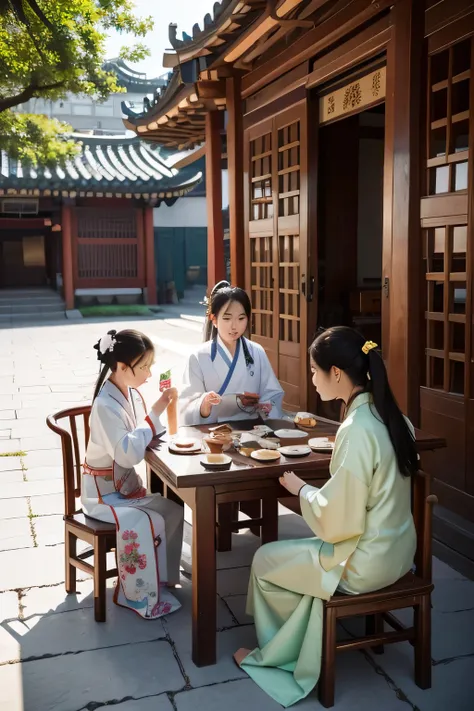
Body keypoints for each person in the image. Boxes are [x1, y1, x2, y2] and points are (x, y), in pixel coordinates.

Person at [233, 326, 419, 706]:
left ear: (336, 374)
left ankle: (278, 655)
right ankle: (305, 627)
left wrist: (300, 489)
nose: (311, 379)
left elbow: (339, 522)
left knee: (265, 559)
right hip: (400, 553)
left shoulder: (357, 428)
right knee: (294, 560)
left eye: (315, 371)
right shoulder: (397, 419)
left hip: (363, 563)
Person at [82, 329, 184, 620]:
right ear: (122, 367)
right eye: (144, 367)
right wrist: (153, 417)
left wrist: (153, 426)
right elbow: (127, 452)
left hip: (123, 487)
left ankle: (160, 581)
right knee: (143, 519)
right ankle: (137, 595)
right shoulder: (104, 405)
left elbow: (140, 436)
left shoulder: (131, 394)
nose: (149, 374)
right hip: (102, 494)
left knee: (173, 511)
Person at [180, 281, 284, 425]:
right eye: (227, 318)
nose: (234, 326)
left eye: (241, 318)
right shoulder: (198, 356)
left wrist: (266, 407)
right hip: (214, 432)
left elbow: (273, 394)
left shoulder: (257, 352)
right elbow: (187, 407)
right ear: (214, 319)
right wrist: (204, 403)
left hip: (253, 429)